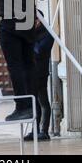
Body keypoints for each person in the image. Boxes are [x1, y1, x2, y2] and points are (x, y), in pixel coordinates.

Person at [24, 10, 54, 141]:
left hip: (41, 73)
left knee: (42, 102)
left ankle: (44, 131)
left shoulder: (48, 34)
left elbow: (39, 51)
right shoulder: (31, 35)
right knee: (34, 102)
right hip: (31, 73)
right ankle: (34, 131)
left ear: (39, 21)